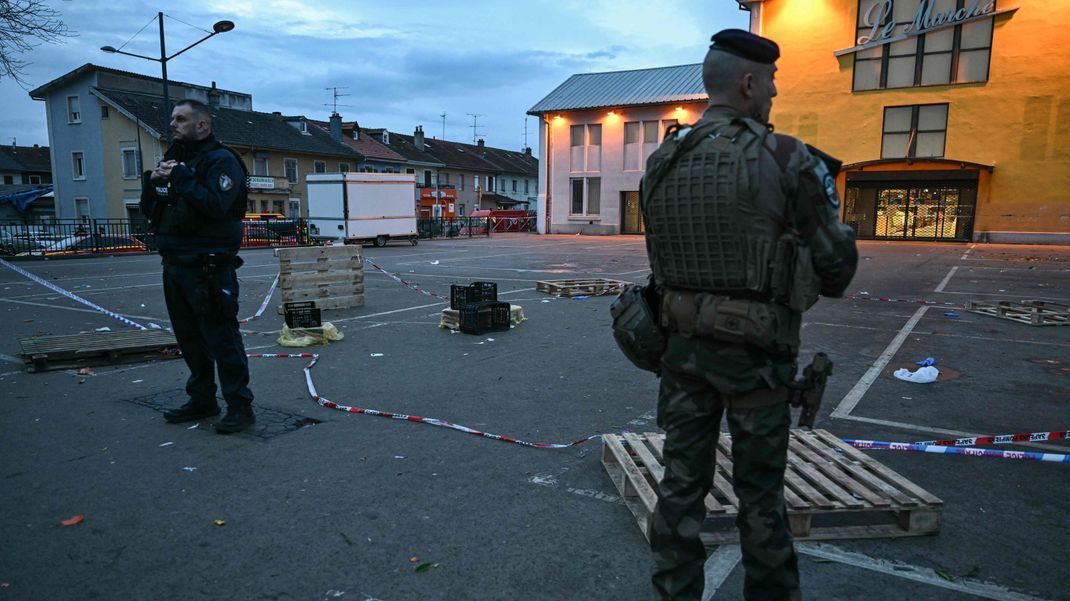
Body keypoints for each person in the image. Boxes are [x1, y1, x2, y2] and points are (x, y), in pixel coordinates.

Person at [641, 30, 859, 601]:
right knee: (760, 496)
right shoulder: (786, 157)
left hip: (681, 353)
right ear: (749, 83)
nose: (774, 93)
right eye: (771, 83)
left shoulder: (662, 160)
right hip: (756, 361)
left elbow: (660, 262)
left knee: (680, 489)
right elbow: (837, 271)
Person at [140, 98, 256, 434]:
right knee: (189, 338)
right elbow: (151, 209)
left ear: (202, 125)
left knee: (221, 338)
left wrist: (183, 177)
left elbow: (216, 205)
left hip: (209, 265)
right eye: (173, 119)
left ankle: (239, 405)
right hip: (175, 264)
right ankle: (202, 398)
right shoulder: (175, 159)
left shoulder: (222, 161)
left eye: (181, 119)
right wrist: (156, 181)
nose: (173, 125)